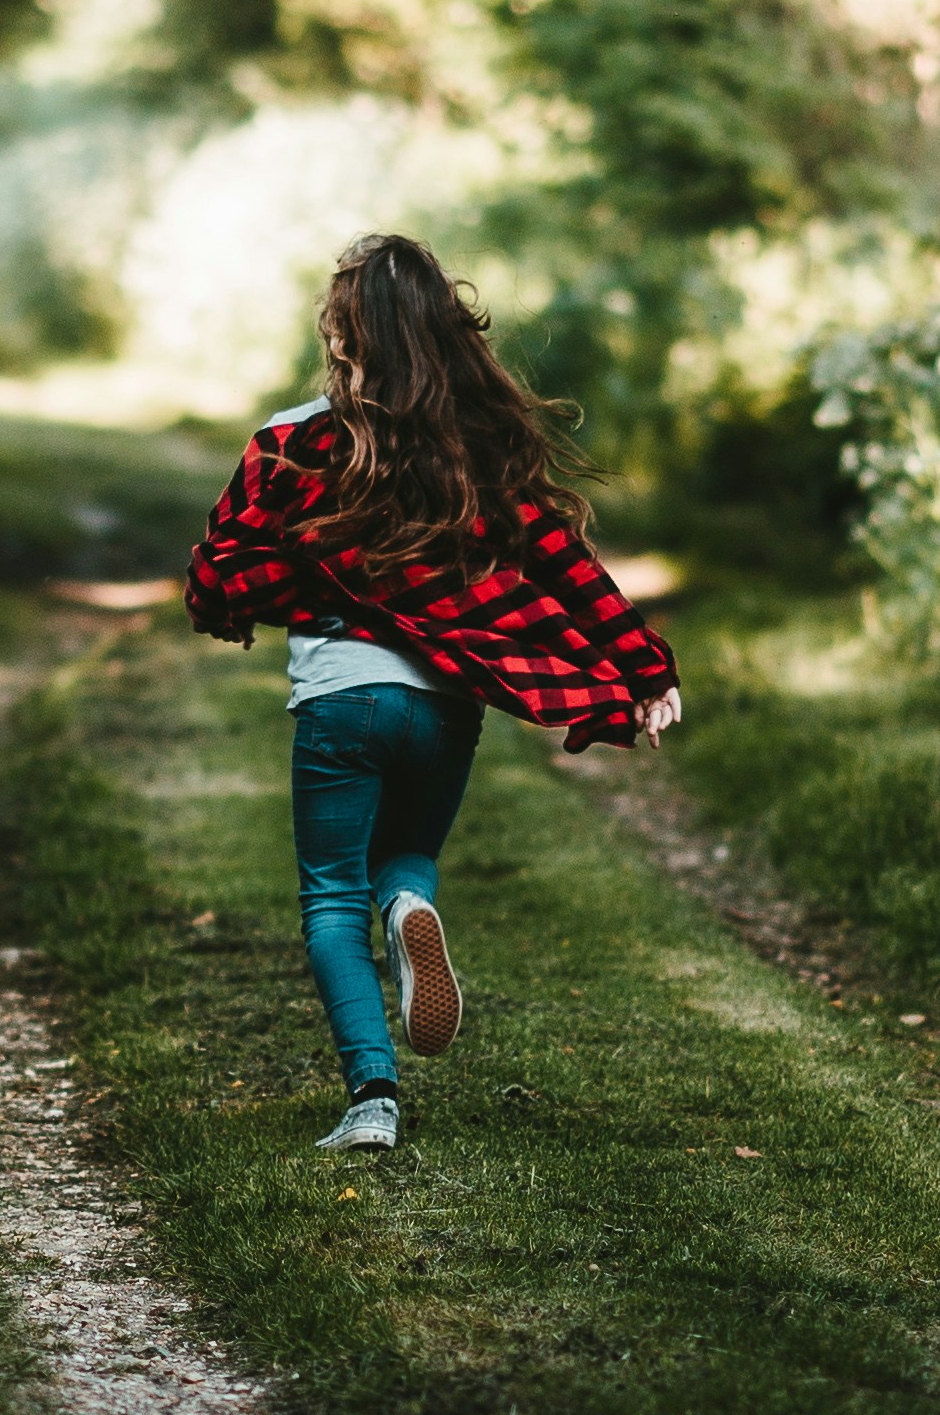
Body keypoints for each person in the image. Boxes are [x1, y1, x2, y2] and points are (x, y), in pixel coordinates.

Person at [178, 236, 683, 1156]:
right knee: (405, 856)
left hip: (340, 701)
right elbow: (565, 569)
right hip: (446, 707)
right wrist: (647, 668)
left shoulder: (289, 441)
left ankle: (372, 1096)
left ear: (346, 333)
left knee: (331, 898)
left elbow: (220, 567)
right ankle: (411, 909)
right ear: (443, 334)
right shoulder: (477, 456)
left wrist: (259, 600)